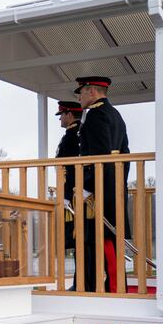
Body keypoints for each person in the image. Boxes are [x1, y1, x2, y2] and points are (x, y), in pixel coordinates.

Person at [75, 76, 131, 293]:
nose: (79, 98)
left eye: (81, 92)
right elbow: (124, 152)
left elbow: (97, 154)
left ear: (92, 92)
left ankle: (114, 289)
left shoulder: (96, 114)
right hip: (113, 183)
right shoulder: (115, 114)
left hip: (100, 185)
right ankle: (116, 286)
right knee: (110, 235)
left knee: (105, 236)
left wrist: (88, 185)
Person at [55, 101, 83, 291]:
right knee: (77, 242)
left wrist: (65, 196)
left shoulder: (72, 137)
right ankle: (79, 280)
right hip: (73, 192)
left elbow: (69, 171)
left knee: (77, 240)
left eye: (62, 115)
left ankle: (79, 281)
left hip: (72, 195)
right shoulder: (75, 134)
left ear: (70, 115)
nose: (61, 120)